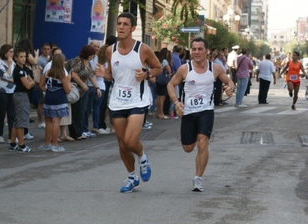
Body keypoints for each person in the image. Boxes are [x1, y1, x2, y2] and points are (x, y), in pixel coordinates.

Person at [95, 12, 162, 193]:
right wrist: (104, 75)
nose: (121, 27)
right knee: (122, 144)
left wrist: (147, 74)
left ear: (133, 28)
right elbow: (112, 75)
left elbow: (158, 68)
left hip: (138, 100)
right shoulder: (111, 50)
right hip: (117, 101)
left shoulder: (143, 49)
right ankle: (132, 177)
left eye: (125, 24)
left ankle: (142, 157)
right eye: (119, 23)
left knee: (131, 141)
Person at [167, 37, 234, 192]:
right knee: (188, 148)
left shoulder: (215, 68)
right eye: (194, 49)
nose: (196, 52)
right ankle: (195, 160)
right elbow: (170, 84)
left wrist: (230, 88)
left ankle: (198, 178)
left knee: (203, 143)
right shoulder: (185, 69)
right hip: (188, 112)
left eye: (200, 49)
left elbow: (229, 82)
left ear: (206, 51)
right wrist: (176, 102)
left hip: (206, 111)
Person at [38, 53, 71, 152]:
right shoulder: (62, 75)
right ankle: (55, 144)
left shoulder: (47, 72)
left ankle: (47, 143)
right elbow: (68, 90)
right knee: (56, 121)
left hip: (49, 98)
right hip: (59, 99)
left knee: (48, 121)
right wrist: (68, 81)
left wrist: (48, 91)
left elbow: (41, 85)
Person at [68, 45, 102, 140]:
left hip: (84, 90)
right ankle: (75, 133)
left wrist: (97, 87)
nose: (93, 56)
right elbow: (73, 74)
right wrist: (82, 84)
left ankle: (81, 131)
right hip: (76, 89)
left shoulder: (88, 63)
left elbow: (91, 75)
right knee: (76, 111)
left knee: (83, 111)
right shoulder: (77, 61)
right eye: (92, 54)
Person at [8, 47, 35, 152]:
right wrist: (31, 83)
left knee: (17, 120)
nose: (23, 59)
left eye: (25, 57)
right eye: (21, 57)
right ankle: (21, 145)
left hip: (22, 95)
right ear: (15, 58)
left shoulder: (24, 69)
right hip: (20, 95)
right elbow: (28, 85)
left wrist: (31, 82)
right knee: (22, 121)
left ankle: (12, 143)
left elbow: (31, 80)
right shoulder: (18, 70)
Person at [0, 44, 15, 144]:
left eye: (12, 51)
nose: (12, 53)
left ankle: (12, 134)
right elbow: (6, 76)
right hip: (1, 91)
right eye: (10, 51)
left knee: (12, 114)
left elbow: (14, 76)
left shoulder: (13, 63)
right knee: (1, 113)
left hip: (12, 91)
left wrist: (12, 79)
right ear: (5, 53)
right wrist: (10, 65)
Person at [36, 43, 51, 129]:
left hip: (48, 83)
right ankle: (40, 121)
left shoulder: (49, 58)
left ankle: (46, 119)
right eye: (45, 49)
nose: (46, 51)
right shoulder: (39, 59)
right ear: (42, 50)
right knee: (41, 102)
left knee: (46, 102)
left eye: (48, 49)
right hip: (40, 82)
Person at [155, 48, 172, 119]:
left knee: (159, 97)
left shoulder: (158, 60)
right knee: (162, 97)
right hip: (164, 81)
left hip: (158, 80)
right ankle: (161, 113)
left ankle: (159, 112)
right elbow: (169, 70)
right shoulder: (165, 61)